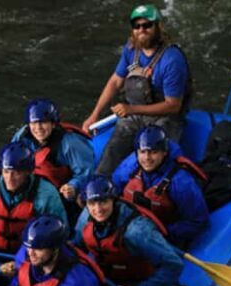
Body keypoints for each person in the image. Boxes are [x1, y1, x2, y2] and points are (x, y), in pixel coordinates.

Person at [81, 4, 192, 177]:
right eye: (137, 26)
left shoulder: (171, 60)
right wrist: (94, 115)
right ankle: (100, 187)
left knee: (155, 159)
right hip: (136, 114)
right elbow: (116, 81)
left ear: (158, 27)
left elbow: (173, 105)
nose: (142, 30)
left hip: (165, 118)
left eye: (147, 25)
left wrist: (131, 109)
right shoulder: (132, 50)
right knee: (113, 149)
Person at [73, 175, 185, 286]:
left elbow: (174, 264)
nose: (98, 209)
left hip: (139, 282)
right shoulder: (86, 218)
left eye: (103, 202)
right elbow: (76, 247)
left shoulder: (137, 231)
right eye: (92, 203)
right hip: (108, 277)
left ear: (113, 200)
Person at [112, 125, 209, 247]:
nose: (147, 158)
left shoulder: (181, 182)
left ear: (164, 153)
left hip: (161, 233)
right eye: (142, 152)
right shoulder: (130, 166)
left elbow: (197, 221)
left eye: (154, 152)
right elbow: (114, 189)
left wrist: (165, 233)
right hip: (130, 223)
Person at [12, 98, 95, 199]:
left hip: (60, 190)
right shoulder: (22, 136)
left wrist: (73, 186)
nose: (38, 128)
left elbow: (86, 172)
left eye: (43, 122)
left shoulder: (71, 143)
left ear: (53, 124)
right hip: (34, 185)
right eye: (34, 123)